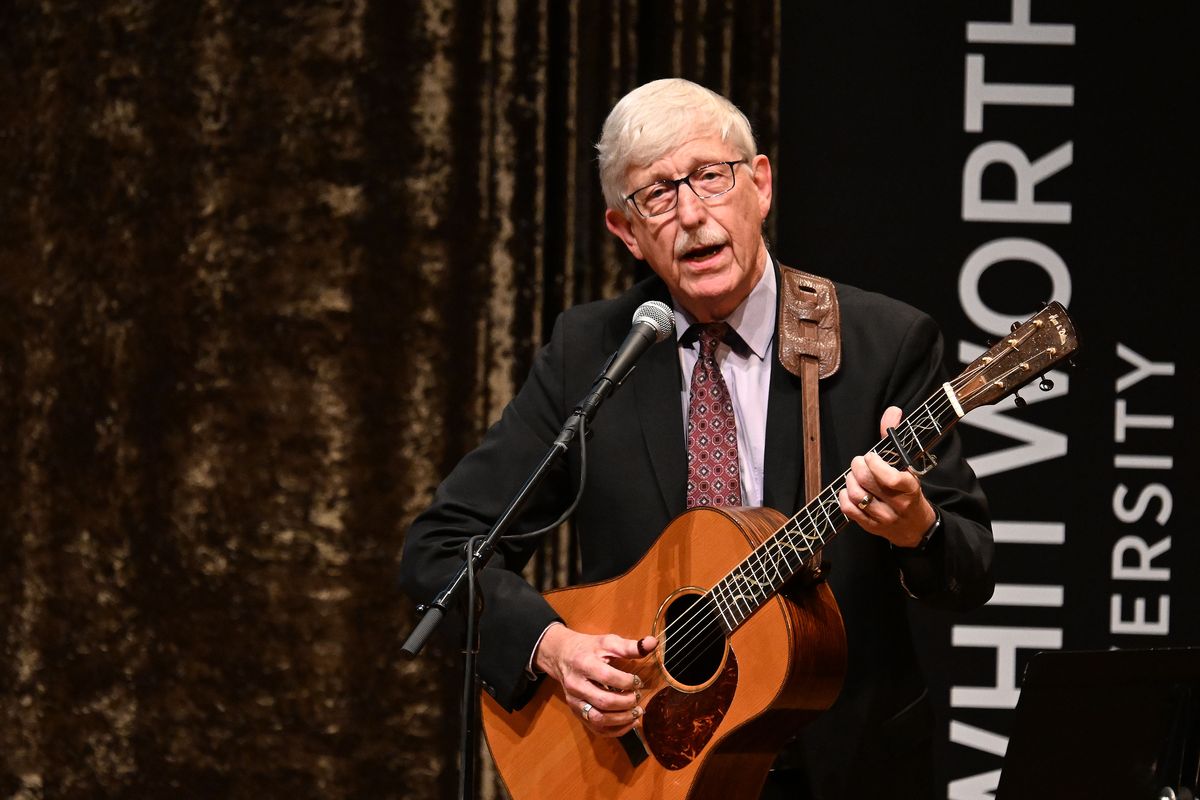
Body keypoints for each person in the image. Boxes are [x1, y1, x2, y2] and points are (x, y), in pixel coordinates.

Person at [399, 77, 993, 799]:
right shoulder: (590, 351)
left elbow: (970, 568)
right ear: (626, 232)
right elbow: (443, 549)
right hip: (649, 767)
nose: (691, 214)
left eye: (711, 177)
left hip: (841, 770)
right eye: (656, 195)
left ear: (761, 184)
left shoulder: (883, 342)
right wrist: (553, 649)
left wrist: (917, 528)